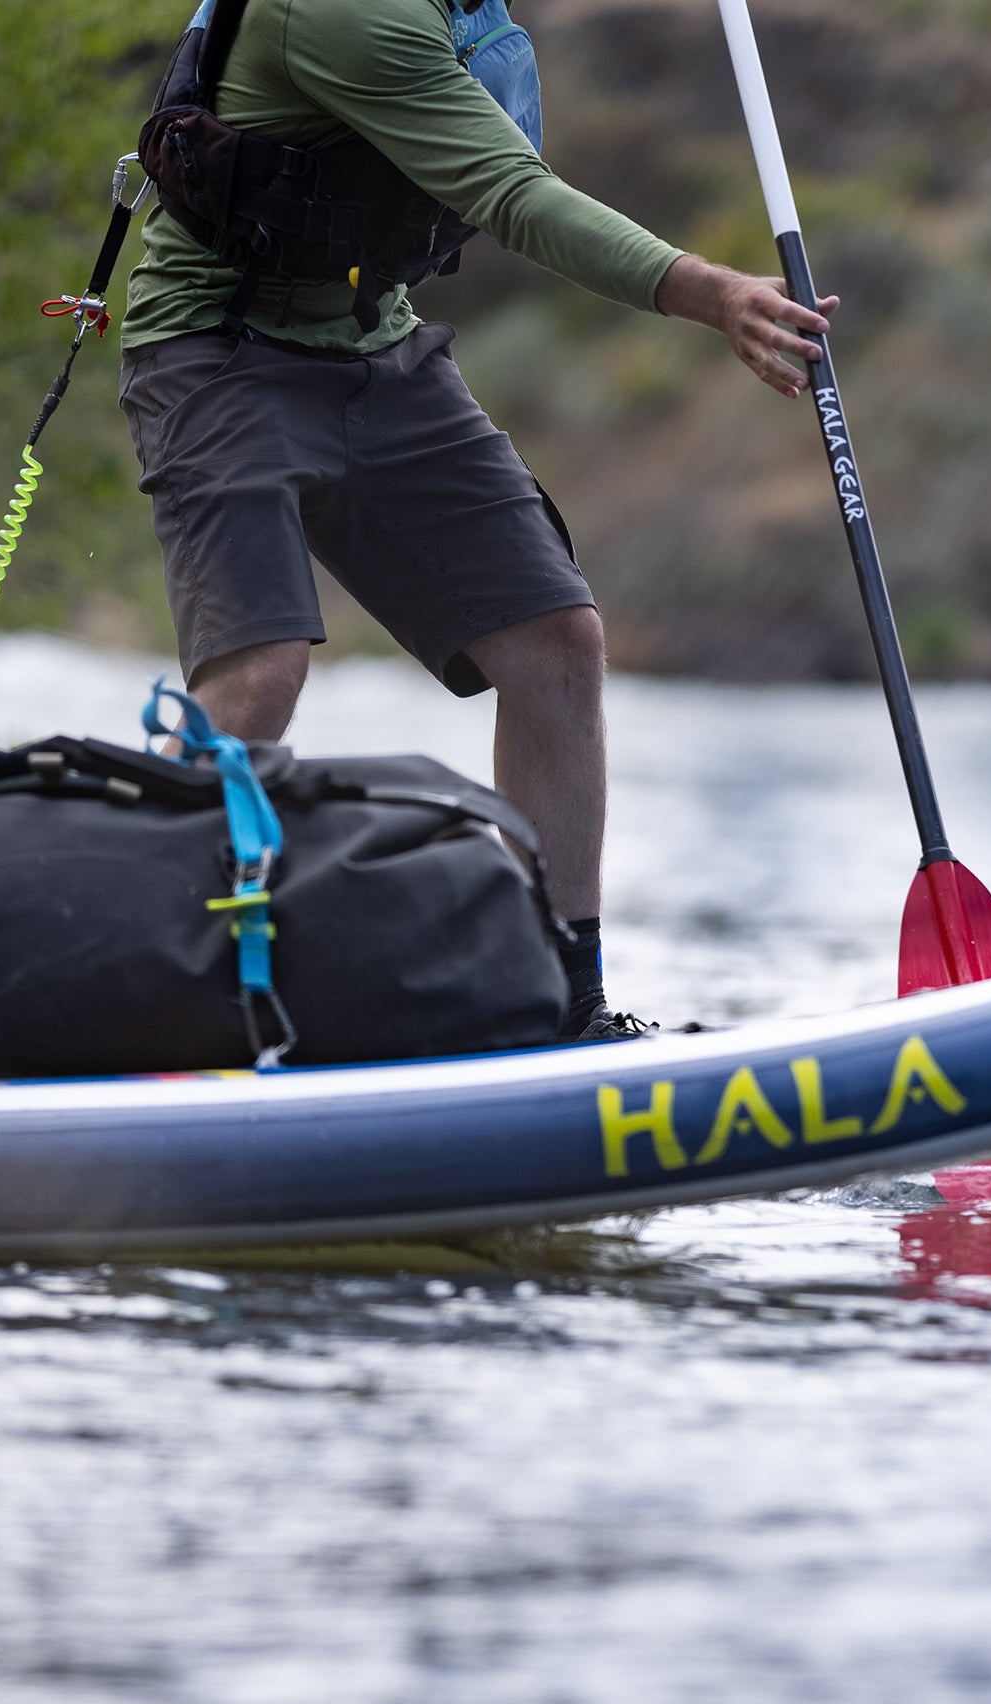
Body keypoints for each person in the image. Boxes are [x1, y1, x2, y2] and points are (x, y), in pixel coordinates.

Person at [116, 0, 833, 1038]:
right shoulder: (348, 10)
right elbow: (510, 194)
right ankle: (131, 979)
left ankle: (561, 1002)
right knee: (259, 673)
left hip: (373, 341)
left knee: (554, 641)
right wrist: (712, 292)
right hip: (214, 348)